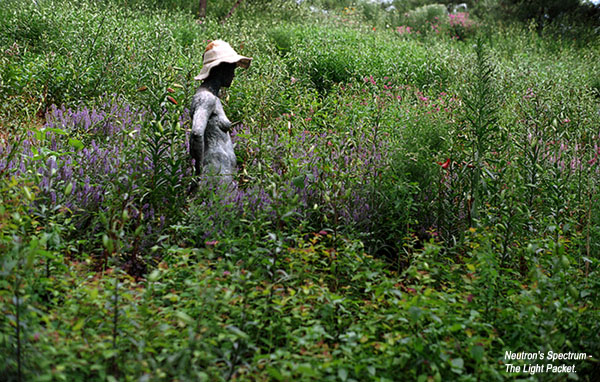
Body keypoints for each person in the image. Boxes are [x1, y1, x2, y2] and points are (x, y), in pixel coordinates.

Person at [189, 40, 251, 185]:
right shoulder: (205, 97)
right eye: (232, 69)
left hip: (222, 174)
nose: (234, 75)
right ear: (221, 68)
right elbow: (196, 133)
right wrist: (198, 171)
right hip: (214, 174)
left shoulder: (213, 97)